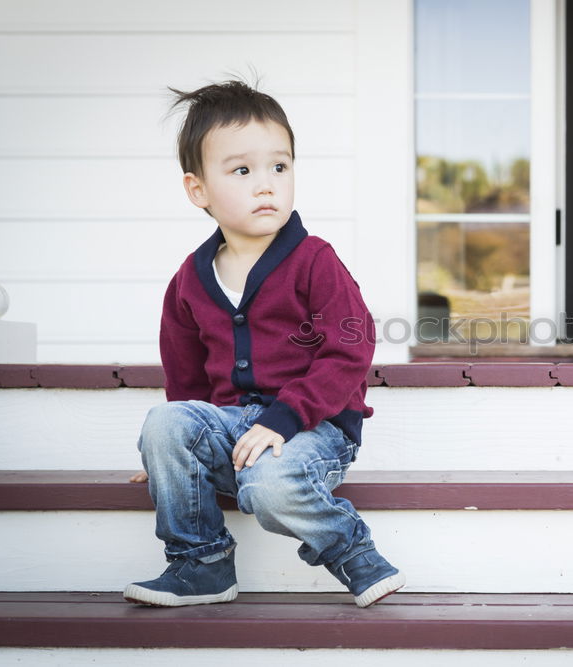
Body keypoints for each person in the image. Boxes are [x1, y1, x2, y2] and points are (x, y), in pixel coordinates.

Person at [123, 80, 403, 609]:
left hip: (315, 427)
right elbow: (186, 382)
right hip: (235, 430)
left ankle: (353, 550)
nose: (266, 185)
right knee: (164, 424)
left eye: (280, 167)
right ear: (197, 189)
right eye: (242, 171)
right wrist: (170, 454)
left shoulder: (314, 261)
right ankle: (200, 565)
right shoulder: (189, 279)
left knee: (269, 484)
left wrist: (283, 417)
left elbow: (350, 350)